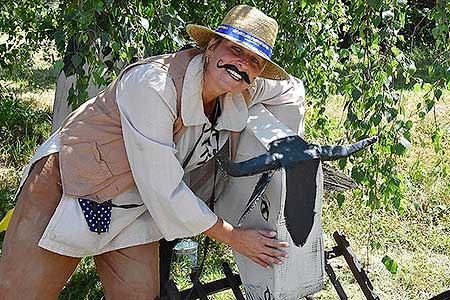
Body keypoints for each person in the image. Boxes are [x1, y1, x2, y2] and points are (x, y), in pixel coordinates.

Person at [0, 5, 305, 300]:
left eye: (254, 60)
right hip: (72, 184)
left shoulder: (241, 85)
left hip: (135, 207)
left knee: (138, 294)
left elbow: (293, 90)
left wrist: (285, 161)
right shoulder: (154, 84)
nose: (241, 64)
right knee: (22, 294)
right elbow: (164, 188)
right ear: (211, 47)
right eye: (235, 50)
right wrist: (235, 238)